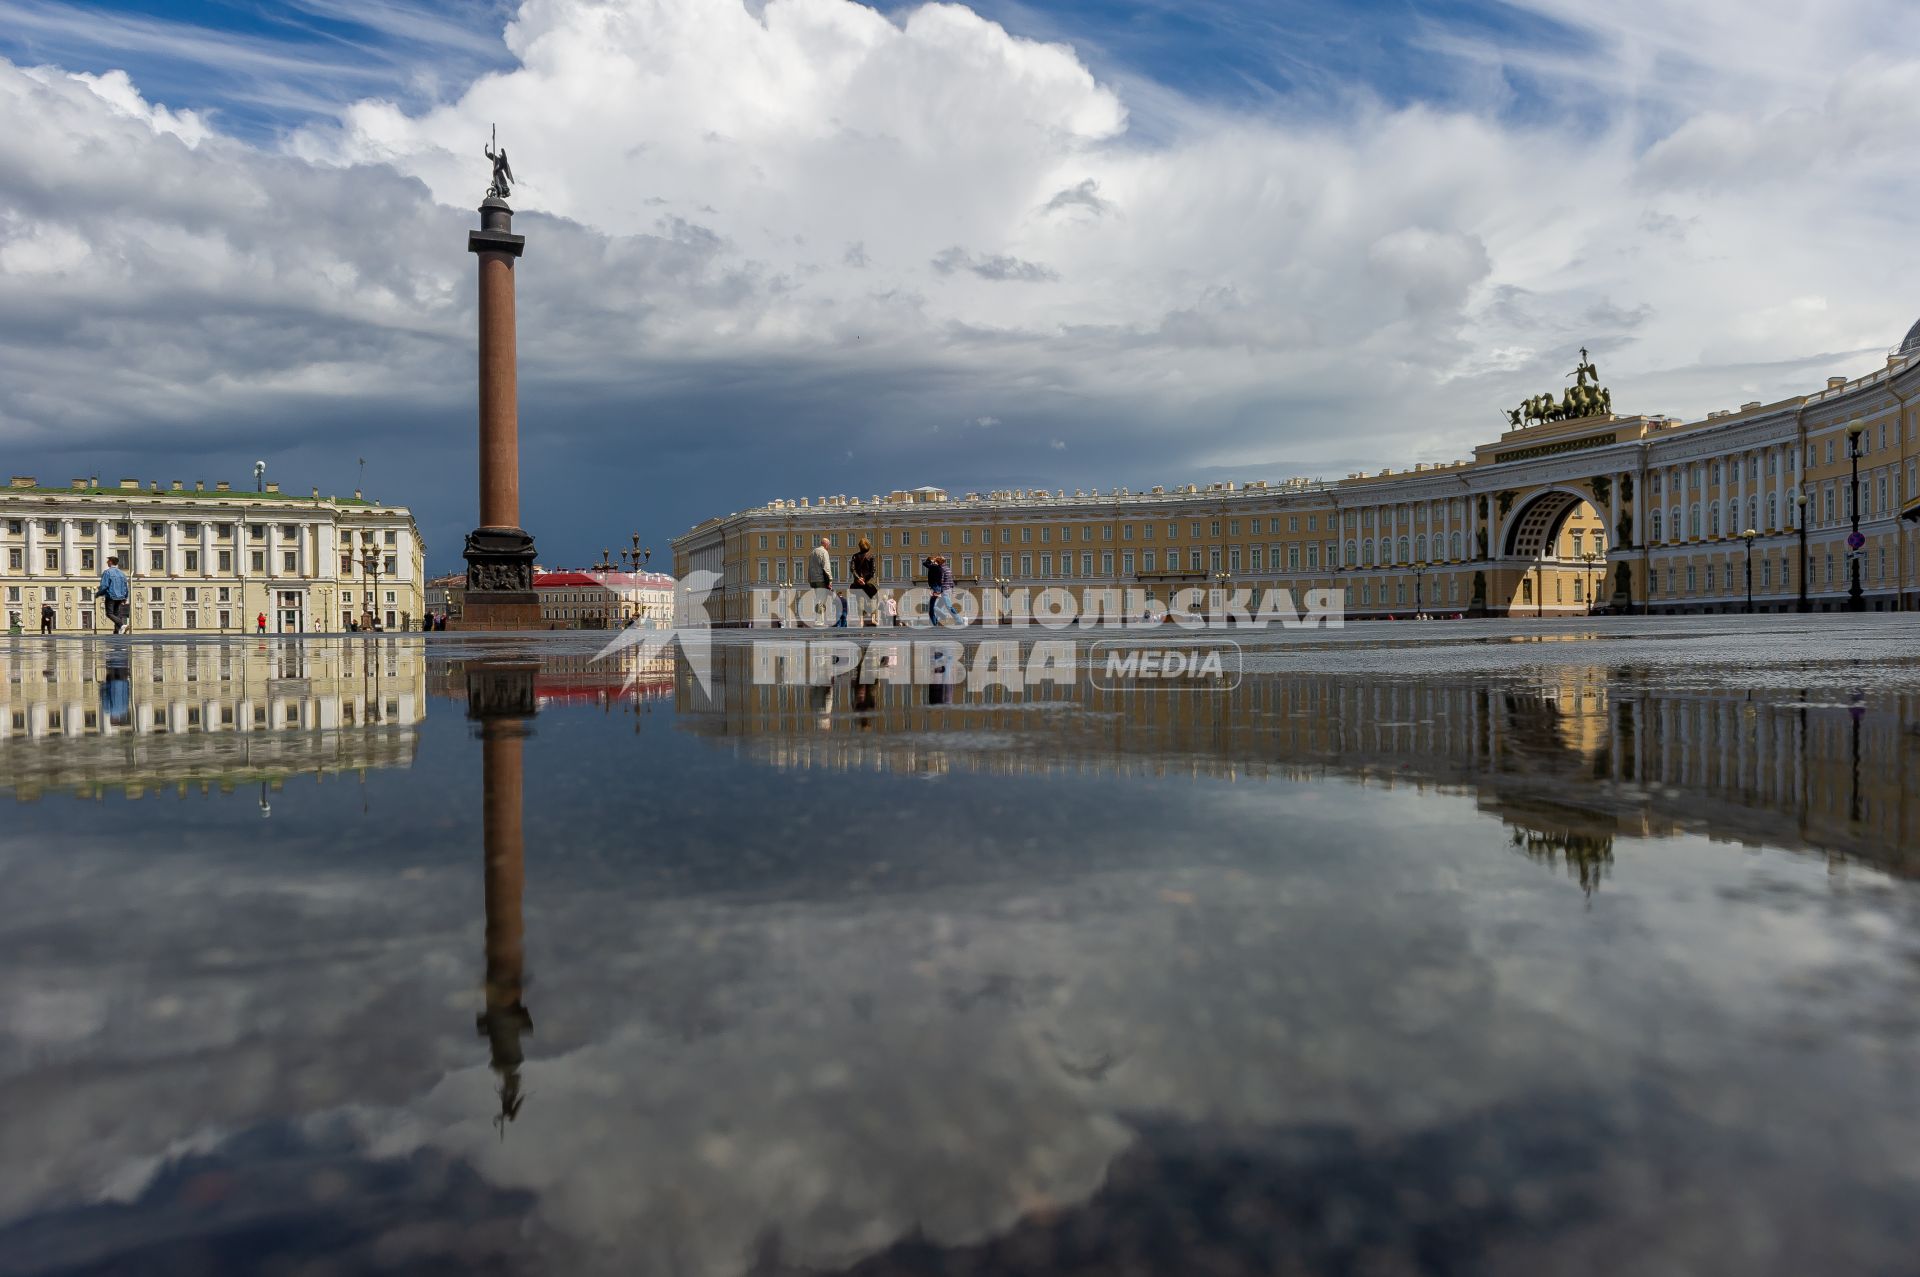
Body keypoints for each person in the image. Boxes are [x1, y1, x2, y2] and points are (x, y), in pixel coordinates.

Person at [96, 555, 130, 635]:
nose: (107, 562)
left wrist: (98, 593)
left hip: (111, 596)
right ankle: (117, 631)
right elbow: (126, 586)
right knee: (116, 613)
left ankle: (122, 625)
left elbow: (104, 586)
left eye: (108, 561)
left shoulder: (107, 572)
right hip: (120, 597)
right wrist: (125, 597)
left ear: (111, 562)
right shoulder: (122, 573)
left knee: (109, 613)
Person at [849, 537, 878, 626]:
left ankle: (861, 621)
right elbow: (873, 571)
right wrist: (865, 579)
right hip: (869, 582)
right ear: (868, 545)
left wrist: (859, 578)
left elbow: (852, 569)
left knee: (860, 599)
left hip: (858, 583)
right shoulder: (871, 556)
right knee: (873, 598)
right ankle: (873, 619)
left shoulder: (855, 556)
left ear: (859, 546)